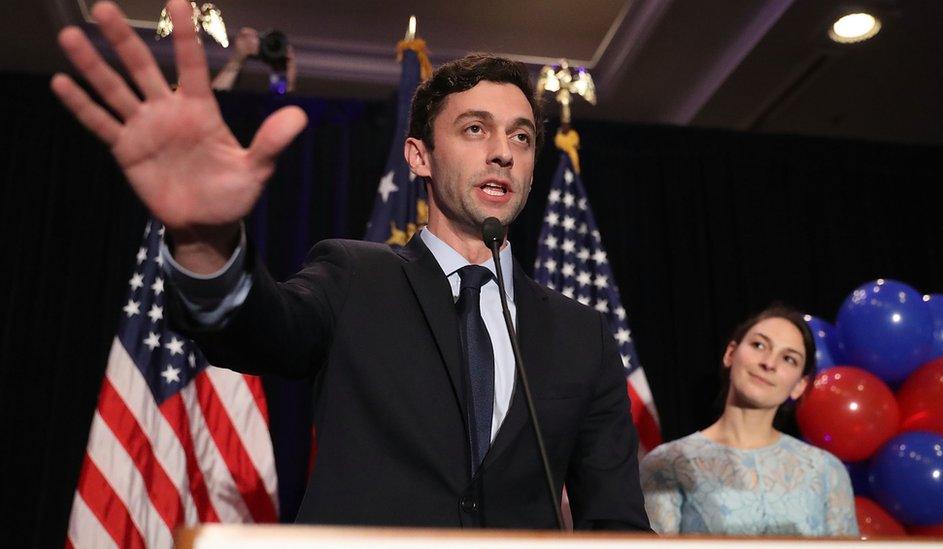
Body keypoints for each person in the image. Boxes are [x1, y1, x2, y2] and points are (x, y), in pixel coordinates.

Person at [51, 0, 649, 530]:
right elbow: (257, 332)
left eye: (521, 138)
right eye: (475, 128)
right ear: (419, 155)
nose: (503, 152)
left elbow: (616, 520)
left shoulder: (581, 336)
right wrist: (206, 238)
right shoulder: (353, 276)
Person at [639, 304, 857, 536]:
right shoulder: (668, 463)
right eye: (759, 345)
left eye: (789, 359)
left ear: (799, 386)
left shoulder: (826, 471)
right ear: (730, 354)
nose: (769, 363)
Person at [212, 27, 297, 93]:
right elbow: (215, 101)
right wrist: (236, 61)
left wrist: (287, 70)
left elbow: (282, 103)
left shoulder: (280, 79)